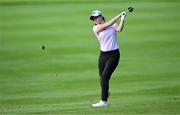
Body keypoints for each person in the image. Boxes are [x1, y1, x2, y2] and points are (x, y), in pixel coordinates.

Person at [90, 10, 127, 107]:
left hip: (114, 55)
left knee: (104, 78)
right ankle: (106, 92)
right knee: (101, 77)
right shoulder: (96, 28)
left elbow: (119, 29)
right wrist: (119, 15)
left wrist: (122, 19)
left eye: (97, 17)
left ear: (101, 16)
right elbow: (109, 24)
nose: (95, 19)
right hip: (103, 55)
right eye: (93, 18)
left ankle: (104, 101)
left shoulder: (112, 25)